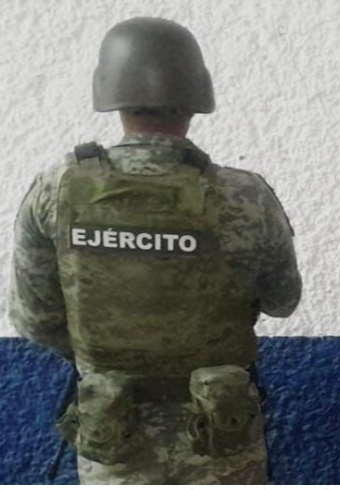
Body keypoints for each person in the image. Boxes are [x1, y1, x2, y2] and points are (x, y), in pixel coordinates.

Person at [9, 17, 302, 484]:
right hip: (220, 440)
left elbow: (33, 320)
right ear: (197, 95)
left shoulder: (58, 189)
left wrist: (103, 357)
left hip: (114, 440)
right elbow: (282, 301)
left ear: (108, 91)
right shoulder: (245, 195)